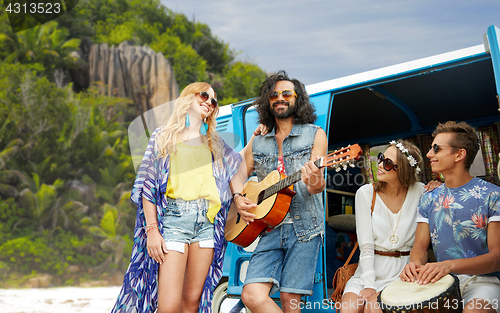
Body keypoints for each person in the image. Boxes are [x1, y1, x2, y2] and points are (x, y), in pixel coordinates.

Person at [111, 82, 242, 313]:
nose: (209, 102)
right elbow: (147, 186)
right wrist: (152, 230)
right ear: (187, 97)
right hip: (173, 222)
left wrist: (239, 196)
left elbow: (238, 168)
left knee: (191, 303)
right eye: (204, 95)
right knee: (169, 306)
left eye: (214, 101)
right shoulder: (163, 137)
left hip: (207, 226)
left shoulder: (215, 144)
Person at [232, 70, 328, 313]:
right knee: (251, 295)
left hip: (305, 228)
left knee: (289, 301)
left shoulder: (315, 134)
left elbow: (317, 187)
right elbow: (236, 172)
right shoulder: (259, 140)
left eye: (287, 93)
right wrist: (238, 197)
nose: (280, 98)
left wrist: (314, 178)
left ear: (298, 98)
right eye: (273, 95)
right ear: (267, 102)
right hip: (268, 226)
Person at [400, 121, 500, 313]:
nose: (429, 155)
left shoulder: (493, 195)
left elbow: (496, 258)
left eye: (436, 149)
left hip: (484, 283)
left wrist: (448, 265)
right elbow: (420, 246)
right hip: (440, 282)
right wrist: (414, 265)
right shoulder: (429, 197)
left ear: (459, 154)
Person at [340, 140, 440, 313]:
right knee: (348, 309)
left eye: (387, 163)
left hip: (404, 270)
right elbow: (366, 246)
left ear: (403, 170)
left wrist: (438, 186)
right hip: (369, 268)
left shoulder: (422, 193)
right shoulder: (365, 193)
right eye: (380, 158)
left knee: (374, 307)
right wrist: (369, 285)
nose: (379, 165)